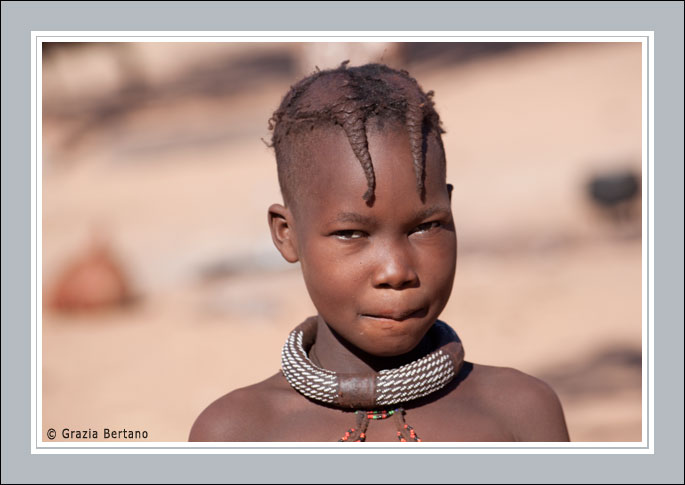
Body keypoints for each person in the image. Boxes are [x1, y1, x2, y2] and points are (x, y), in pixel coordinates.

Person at [189, 62, 570, 442]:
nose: (396, 270)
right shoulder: (237, 434)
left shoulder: (521, 413)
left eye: (426, 227)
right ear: (286, 234)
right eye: (351, 233)